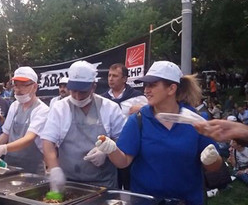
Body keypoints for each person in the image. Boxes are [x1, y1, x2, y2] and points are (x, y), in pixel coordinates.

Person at [96, 61, 223, 205]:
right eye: (146, 85)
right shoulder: (138, 120)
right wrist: (111, 149)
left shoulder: (196, 120)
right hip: (146, 201)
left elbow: (215, 167)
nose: (146, 90)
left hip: (187, 201)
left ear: (171, 88)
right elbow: (123, 161)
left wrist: (211, 160)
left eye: (152, 85)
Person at [41, 61, 126, 192]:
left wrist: (107, 151)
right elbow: (48, 141)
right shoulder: (60, 108)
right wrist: (54, 169)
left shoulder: (110, 108)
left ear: (93, 87)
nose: (77, 96)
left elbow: (122, 140)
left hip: (103, 183)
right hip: (69, 181)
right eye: (73, 91)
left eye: (83, 92)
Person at [0, 67, 49, 174]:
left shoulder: (42, 110)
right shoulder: (14, 106)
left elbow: (29, 138)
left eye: (24, 85)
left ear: (34, 87)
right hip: (10, 165)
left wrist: (4, 148)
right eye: (16, 85)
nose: (18, 89)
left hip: (32, 168)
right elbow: (6, 134)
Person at [102, 64, 148, 190]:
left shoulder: (137, 97)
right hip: (109, 147)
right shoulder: (102, 99)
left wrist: (142, 108)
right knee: (112, 183)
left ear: (124, 79)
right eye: (109, 75)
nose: (111, 78)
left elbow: (153, 113)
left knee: (129, 183)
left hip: (130, 147)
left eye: (115, 76)